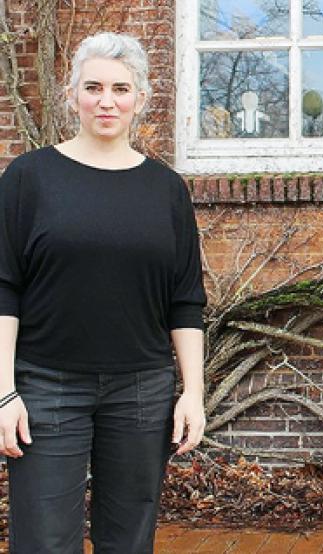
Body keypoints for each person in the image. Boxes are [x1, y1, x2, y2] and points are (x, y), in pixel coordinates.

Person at [0, 32, 207, 552]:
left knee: (128, 542)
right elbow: (4, 289)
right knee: (43, 542)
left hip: (141, 392)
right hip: (46, 388)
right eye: (93, 87)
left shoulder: (166, 189)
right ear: (72, 95)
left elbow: (185, 300)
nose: (107, 100)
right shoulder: (29, 178)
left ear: (140, 98)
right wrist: (4, 392)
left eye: (121, 88)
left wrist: (194, 393)